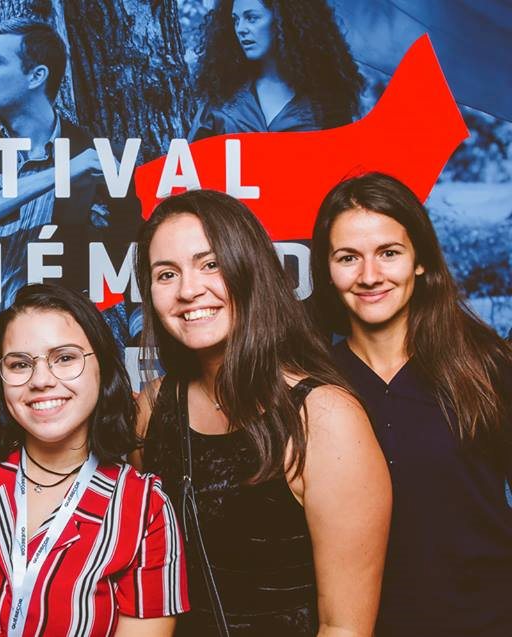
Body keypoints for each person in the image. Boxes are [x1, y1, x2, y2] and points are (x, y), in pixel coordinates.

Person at [132, 189, 391, 636]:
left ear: (249, 269)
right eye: (166, 274)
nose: (189, 290)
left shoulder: (324, 418)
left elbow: (344, 628)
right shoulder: (154, 408)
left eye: (210, 264)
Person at [0, 283, 189, 636]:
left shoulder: (146, 509)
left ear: (102, 366)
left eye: (65, 358)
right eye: (20, 364)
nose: (41, 380)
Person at [309, 172, 512, 637]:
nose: (369, 276)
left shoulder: (485, 366)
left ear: (419, 260)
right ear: (327, 268)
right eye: (347, 258)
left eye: (389, 253)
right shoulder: (313, 385)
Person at [0, 18, 141, 353]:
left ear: (36, 76)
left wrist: (142, 337)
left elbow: (128, 254)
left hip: (47, 351)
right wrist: (63, 171)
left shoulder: (95, 157)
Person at [189, 0, 363, 140]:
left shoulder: (327, 103)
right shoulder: (220, 97)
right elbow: (191, 172)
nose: (240, 29)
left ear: (282, 19)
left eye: (252, 18)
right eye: (235, 20)